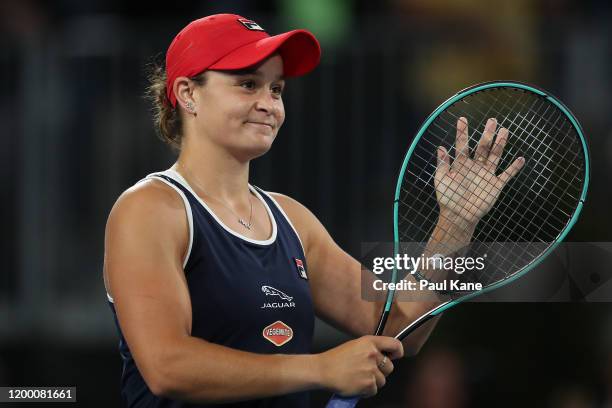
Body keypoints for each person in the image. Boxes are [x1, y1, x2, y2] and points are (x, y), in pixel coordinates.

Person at [103, 13, 524, 408]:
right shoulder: (150, 209)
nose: (269, 103)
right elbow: (166, 366)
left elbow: (398, 326)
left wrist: (455, 222)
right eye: (248, 84)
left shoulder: (292, 220)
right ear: (187, 94)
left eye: (276, 89)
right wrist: (322, 368)